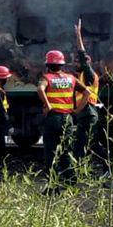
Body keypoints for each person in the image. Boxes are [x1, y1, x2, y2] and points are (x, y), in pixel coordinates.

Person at [37, 50, 90, 190]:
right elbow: (87, 93)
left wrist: (48, 105)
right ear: (62, 65)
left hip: (53, 118)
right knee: (66, 151)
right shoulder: (71, 78)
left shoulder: (46, 78)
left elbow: (40, 89)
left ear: (48, 65)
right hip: (67, 119)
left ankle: (52, 187)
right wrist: (77, 111)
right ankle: (71, 183)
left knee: (50, 152)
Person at [72, 20, 106, 170]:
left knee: (79, 145)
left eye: (77, 62)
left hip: (87, 112)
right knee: (93, 145)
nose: (75, 63)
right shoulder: (83, 76)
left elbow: (82, 54)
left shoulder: (89, 73)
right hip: (88, 113)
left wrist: (78, 35)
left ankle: (72, 175)